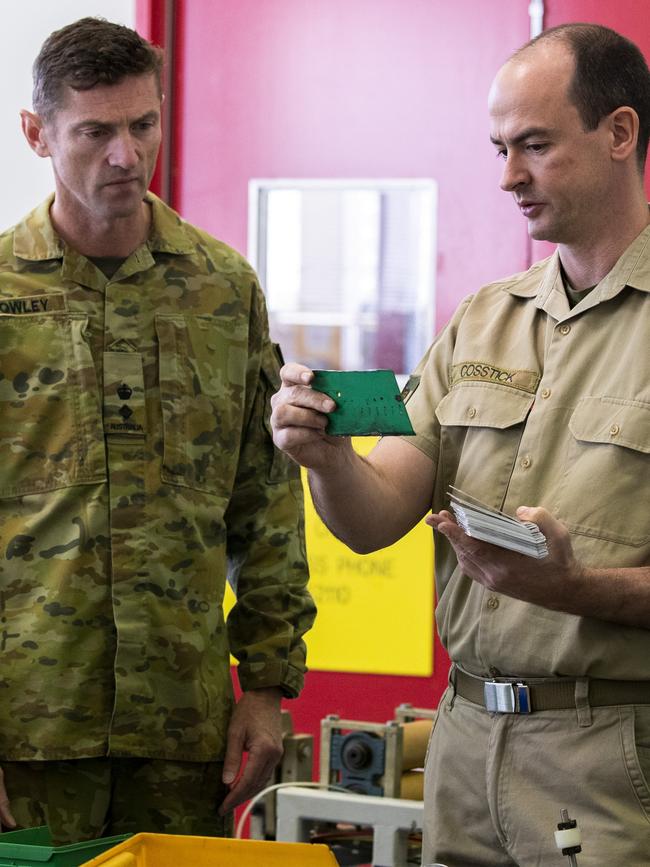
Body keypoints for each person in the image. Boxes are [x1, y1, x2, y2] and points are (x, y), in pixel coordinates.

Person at [271, 22, 650, 866]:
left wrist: (574, 586)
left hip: (611, 759)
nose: (509, 176)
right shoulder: (483, 319)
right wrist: (329, 459)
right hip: (464, 748)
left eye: (535, 146)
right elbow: (374, 517)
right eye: (499, 148)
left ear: (619, 133)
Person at [0, 17, 315, 844]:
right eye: (95, 132)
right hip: (30, 726)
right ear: (37, 134)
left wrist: (266, 686)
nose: (126, 155)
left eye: (144, 125)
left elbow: (266, 498)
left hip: (186, 730)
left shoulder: (220, 288)